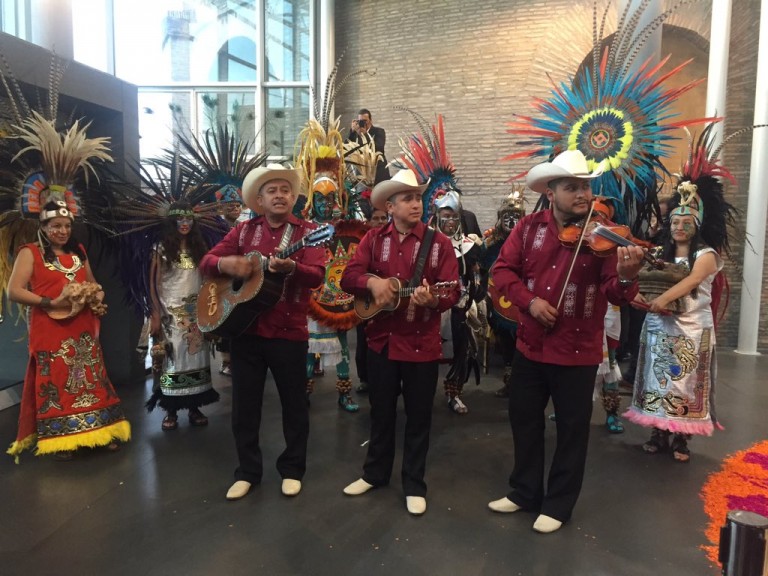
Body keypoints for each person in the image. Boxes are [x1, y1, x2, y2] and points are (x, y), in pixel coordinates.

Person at [488, 150, 644, 533]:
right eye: (572, 187)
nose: (582, 195)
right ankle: (524, 491)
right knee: (524, 420)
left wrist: (626, 276)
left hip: (577, 350)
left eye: (586, 186)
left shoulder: (604, 234)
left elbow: (615, 292)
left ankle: (557, 505)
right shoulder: (527, 228)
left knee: (573, 430)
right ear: (551, 191)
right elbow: (502, 269)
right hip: (530, 345)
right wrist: (529, 301)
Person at [199, 164, 326, 501]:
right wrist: (228, 265)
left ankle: (292, 468)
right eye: (272, 191)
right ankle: (248, 471)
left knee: (295, 405)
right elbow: (206, 262)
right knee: (245, 406)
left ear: (294, 197)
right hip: (246, 331)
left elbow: (317, 276)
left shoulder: (308, 231)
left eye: (285, 190)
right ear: (260, 199)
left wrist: (293, 267)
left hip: (288, 332)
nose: (280, 195)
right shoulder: (243, 233)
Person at [340, 169, 459, 516]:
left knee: (419, 416)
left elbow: (452, 290)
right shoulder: (374, 240)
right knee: (380, 413)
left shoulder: (440, 244)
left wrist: (433, 300)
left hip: (422, 344)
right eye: (406, 198)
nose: (415, 204)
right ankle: (374, 473)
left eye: (418, 197)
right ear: (390, 206)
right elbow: (349, 277)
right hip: (381, 341)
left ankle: (413, 483)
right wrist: (372, 284)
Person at [7, 201, 131, 461]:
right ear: (42, 226)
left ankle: (101, 431)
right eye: (56, 226)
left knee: (92, 377)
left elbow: (92, 282)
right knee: (58, 380)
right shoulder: (29, 252)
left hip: (83, 327)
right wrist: (49, 303)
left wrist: (97, 294)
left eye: (66, 226)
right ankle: (61, 439)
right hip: (50, 328)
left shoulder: (78, 252)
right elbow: (14, 290)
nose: (62, 231)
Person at [623, 178, 727, 463]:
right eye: (675, 222)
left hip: (691, 328)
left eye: (686, 222)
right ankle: (658, 432)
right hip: (659, 325)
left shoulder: (705, 255)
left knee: (685, 382)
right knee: (656, 380)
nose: (679, 227)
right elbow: (642, 281)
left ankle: (682, 438)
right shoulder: (658, 254)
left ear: (697, 225)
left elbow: (693, 280)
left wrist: (664, 299)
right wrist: (640, 297)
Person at [147, 200, 220, 431]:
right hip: (171, 314)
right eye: (180, 219)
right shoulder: (160, 248)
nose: (185, 223)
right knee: (172, 359)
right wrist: (156, 313)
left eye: (189, 219)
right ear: (172, 222)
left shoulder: (201, 248)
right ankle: (170, 409)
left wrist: (211, 308)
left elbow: (208, 280)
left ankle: (194, 406)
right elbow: (153, 283)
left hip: (196, 314)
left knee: (198, 357)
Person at [434, 190, 485, 414]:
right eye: (446, 217)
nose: (450, 222)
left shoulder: (468, 245)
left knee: (460, 351)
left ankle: (454, 393)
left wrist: (475, 293)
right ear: (437, 217)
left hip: (460, 305)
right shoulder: (428, 243)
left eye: (455, 217)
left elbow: (476, 274)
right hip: (432, 306)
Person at [481, 190, 526, 397]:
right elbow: (483, 271)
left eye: (516, 216)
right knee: (505, 342)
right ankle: (510, 381)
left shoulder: (530, 241)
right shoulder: (490, 243)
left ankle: (525, 383)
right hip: (499, 302)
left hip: (524, 303)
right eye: (507, 216)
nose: (511, 220)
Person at [354, 206, 388, 394]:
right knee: (363, 340)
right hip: (365, 300)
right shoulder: (361, 241)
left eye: (384, 218)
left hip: (387, 304)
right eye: (376, 218)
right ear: (368, 221)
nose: (381, 222)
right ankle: (364, 378)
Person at [347, 108, 389, 184]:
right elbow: (346, 148)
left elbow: (379, 147)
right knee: (362, 195)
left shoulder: (379, 131)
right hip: (362, 172)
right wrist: (352, 132)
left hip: (378, 171)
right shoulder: (356, 134)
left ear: (370, 120)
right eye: (360, 121)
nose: (363, 123)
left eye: (365, 120)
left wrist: (366, 134)